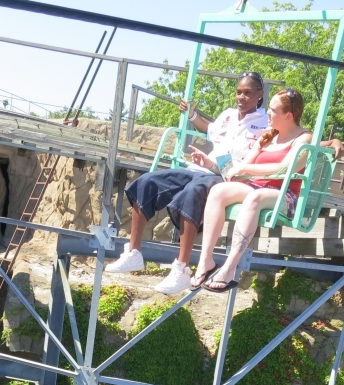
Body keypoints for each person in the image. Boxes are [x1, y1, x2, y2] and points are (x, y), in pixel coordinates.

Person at [105, 73, 268, 294]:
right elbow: (209, 128)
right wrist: (192, 115)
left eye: (248, 93)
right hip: (201, 169)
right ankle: (133, 253)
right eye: (239, 92)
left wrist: (331, 141)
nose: (241, 97)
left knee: (192, 192)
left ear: (260, 94)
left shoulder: (266, 124)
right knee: (147, 182)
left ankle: (181, 269)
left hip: (227, 178)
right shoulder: (228, 116)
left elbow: (282, 145)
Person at [193, 88, 315, 293]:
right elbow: (241, 168)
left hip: (284, 195)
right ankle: (206, 261)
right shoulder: (267, 137)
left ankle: (229, 268)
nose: (267, 112)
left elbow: (284, 168)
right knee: (218, 191)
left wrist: (246, 169)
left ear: (288, 115)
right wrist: (213, 165)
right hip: (256, 187)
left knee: (254, 198)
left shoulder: (304, 139)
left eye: (273, 110)